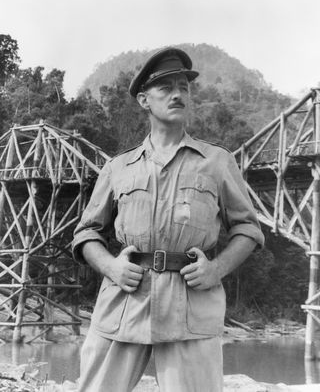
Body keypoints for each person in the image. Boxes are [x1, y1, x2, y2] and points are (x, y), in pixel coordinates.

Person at [72, 46, 264, 392]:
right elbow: (87, 233)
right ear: (144, 100)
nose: (178, 94)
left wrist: (216, 269)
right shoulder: (118, 168)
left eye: (184, 87)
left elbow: (248, 228)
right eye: (166, 88)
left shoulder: (217, 161)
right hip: (124, 301)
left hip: (190, 307)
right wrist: (111, 267)